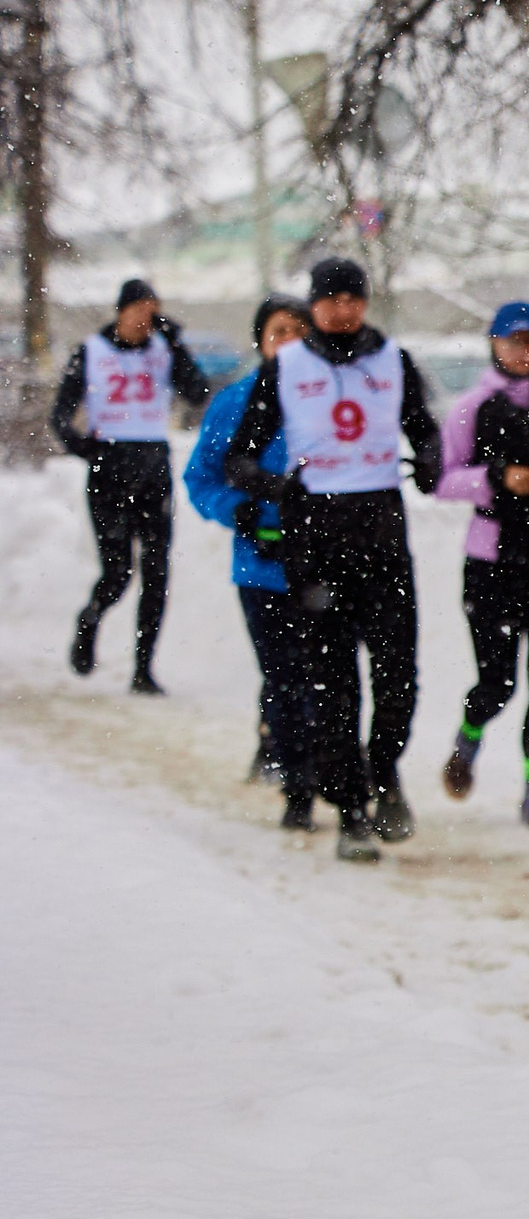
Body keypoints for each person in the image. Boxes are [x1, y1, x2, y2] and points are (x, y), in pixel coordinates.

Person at [224, 256, 443, 863]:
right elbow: (239, 459)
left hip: (381, 532)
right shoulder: (285, 367)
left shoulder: (392, 359)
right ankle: (351, 811)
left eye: (354, 298)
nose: (343, 310)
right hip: (315, 537)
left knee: (399, 678)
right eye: (331, 299)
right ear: (312, 305)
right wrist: (275, 490)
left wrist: (429, 462)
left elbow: (425, 429)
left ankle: (386, 770)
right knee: (334, 683)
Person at [433, 302, 529, 830]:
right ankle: (468, 737)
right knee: (497, 683)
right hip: (493, 562)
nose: (523, 350)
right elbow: (442, 479)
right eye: (512, 340)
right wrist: (496, 478)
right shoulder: (472, 407)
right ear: (494, 345)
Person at [183, 295, 318, 830]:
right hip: (262, 566)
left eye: (300, 332)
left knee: (323, 675)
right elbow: (201, 479)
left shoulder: (326, 397)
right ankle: (295, 782)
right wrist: (238, 511)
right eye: (279, 331)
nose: (290, 342)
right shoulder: (236, 403)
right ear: (260, 339)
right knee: (285, 675)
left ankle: (318, 766)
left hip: (327, 562)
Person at [52, 277, 213, 693]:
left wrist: (177, 345)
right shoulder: (92, 351)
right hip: (110, 469)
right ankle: (90, 618)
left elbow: (197, 394)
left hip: (153, 465)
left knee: (157, 572)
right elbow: (60, 415)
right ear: (122, 310)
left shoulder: (163, 350)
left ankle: (143, 669)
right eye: (141, 308)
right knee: (118, 571)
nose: (148, 317)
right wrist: (86, 448)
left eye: (153, 308)